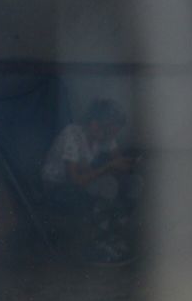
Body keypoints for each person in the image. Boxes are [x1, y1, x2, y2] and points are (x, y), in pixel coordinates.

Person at [40, 98, 139, 259]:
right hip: (58, 187)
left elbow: (118, 162)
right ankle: (99, 243)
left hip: (83, 180)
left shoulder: (104, 135)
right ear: (95, 124)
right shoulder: (72, 135)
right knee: (108, 186)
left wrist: (132, 164)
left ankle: (112, 235)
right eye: (110, 131)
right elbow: (75, 180)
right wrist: (108, 167)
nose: (112, 137)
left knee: (131, 184)